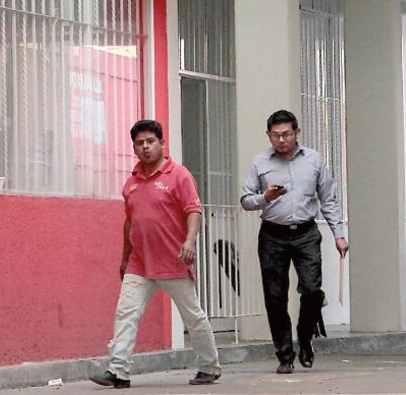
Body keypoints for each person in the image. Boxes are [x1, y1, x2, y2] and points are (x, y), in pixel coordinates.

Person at [91, 119, 222, 389]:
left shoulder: (179, 175)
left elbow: (193, 211)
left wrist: (189, 241)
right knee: (126, 313)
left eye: (150, 141)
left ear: (162, 143)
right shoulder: (131, 184)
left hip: (174, 261)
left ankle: (209, 366)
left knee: (193, 317)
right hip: (139, 263)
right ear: (134, 149)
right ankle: (118, 371)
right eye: (140, 143)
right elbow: (130, 223)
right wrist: (125, 258)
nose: (145, 147)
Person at [240, 109, 349, 374]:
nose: (281, 140)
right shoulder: (259, 162)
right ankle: (285, 355)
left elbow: (328, 198)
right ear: (268, 135)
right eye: (275, 135)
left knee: (312, 290)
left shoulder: (313, 160)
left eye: (286, 134)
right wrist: (265, 197)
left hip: (306, 233)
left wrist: (339, 234)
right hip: (272, 234)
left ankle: (305, 335)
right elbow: (245, 200)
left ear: (296, 133)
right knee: (275, 296)